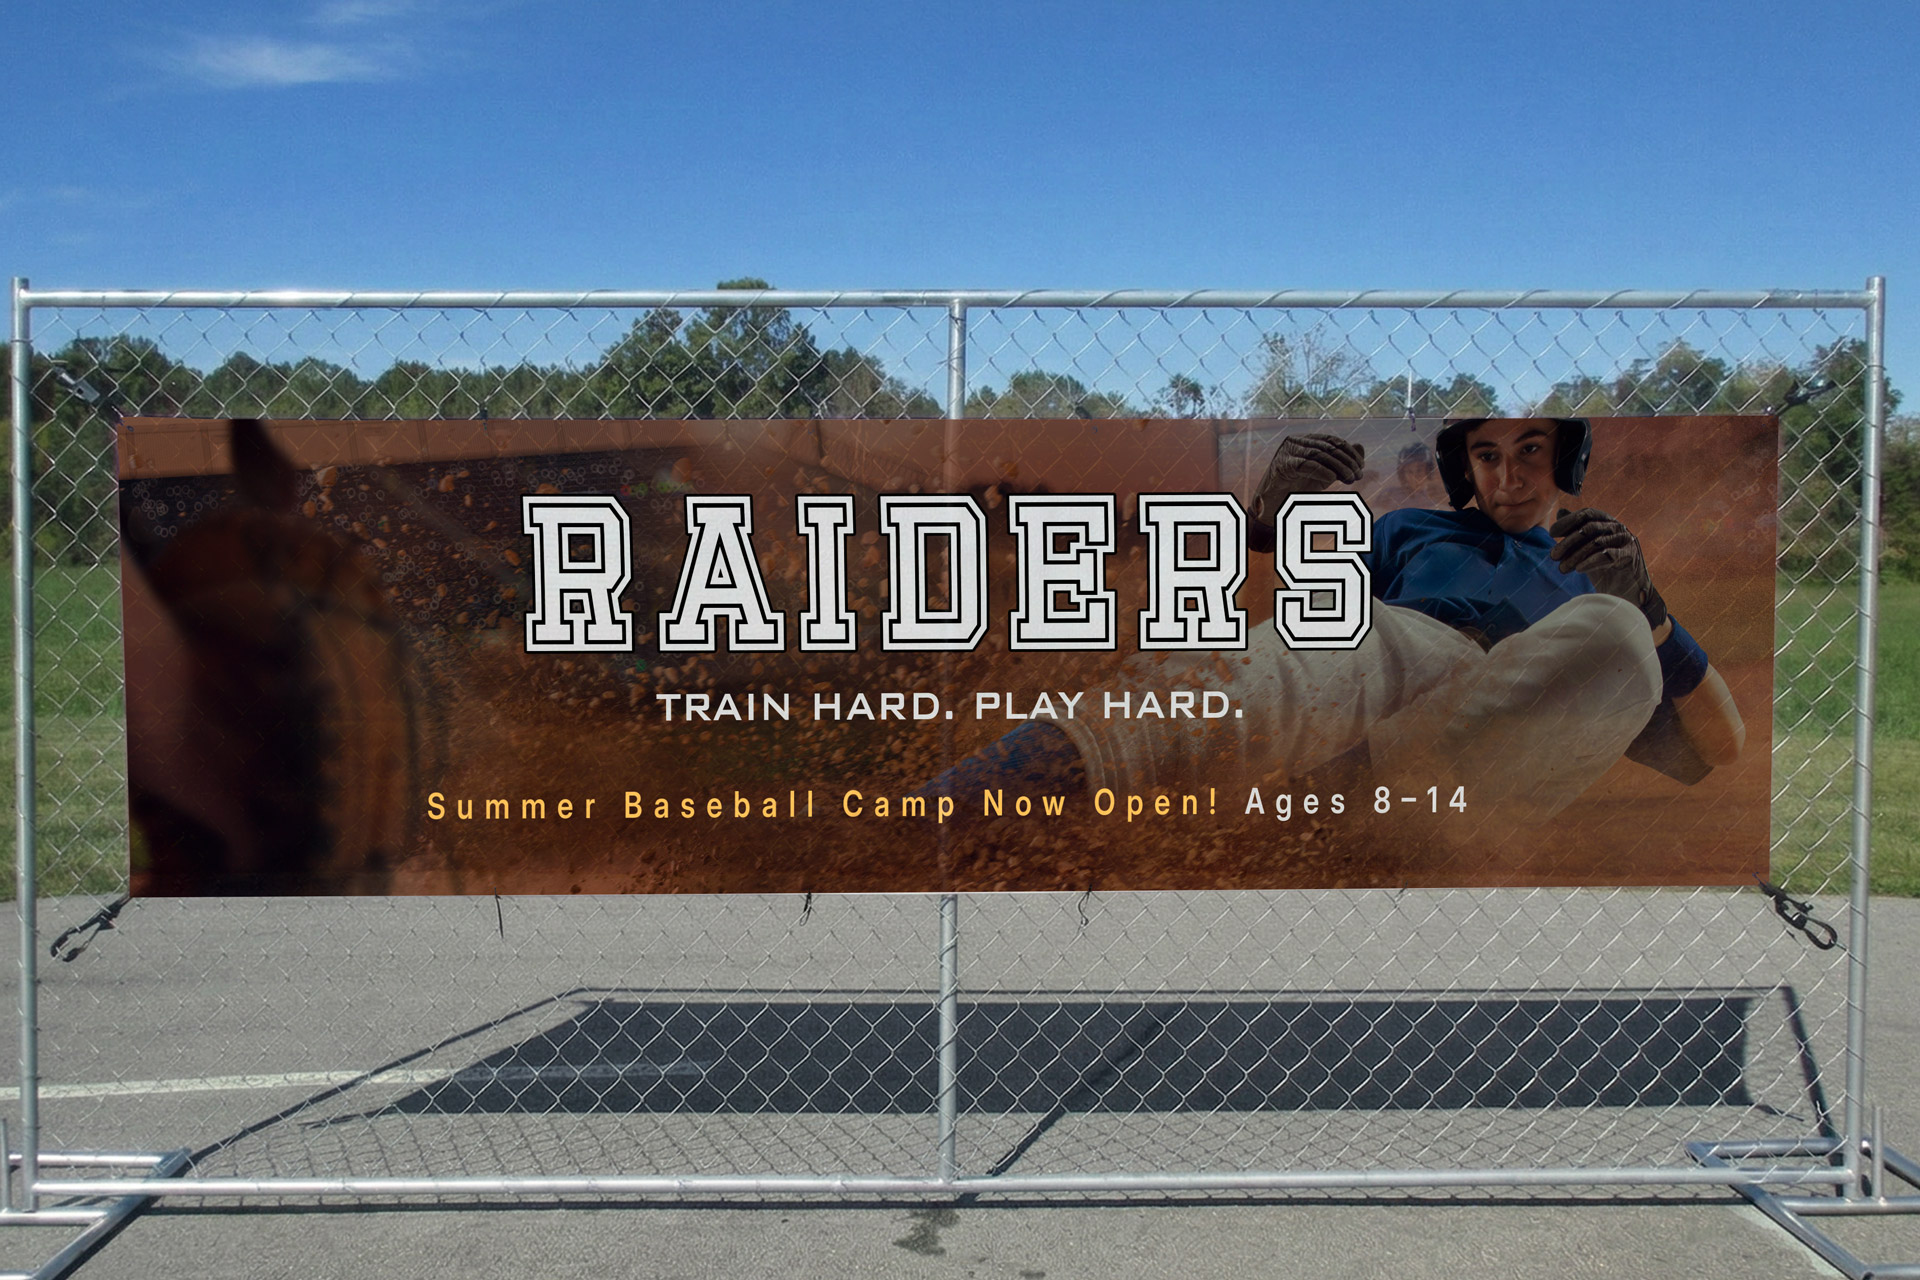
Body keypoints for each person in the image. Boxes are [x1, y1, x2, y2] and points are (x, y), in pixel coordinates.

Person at [922, 418, 1744, 826]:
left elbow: (1716, 753)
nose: (1508, 474)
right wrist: (1266, 521)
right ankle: (943, 813)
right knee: (1300, 658)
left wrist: (1650, 610)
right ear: (1465, 468)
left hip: (1477, 747)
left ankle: (1344, 802)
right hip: (1393, 654)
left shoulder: (1601, 564)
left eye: (1531, 451)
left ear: (1565, 460)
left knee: (1613, 634)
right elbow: (1285, 623)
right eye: (1488, 455)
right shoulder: (1411, 531)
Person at [1366, 440, 1444, 512]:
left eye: (1419, 470)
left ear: (1428, 471)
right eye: (1410, 472)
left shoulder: (1438, 498)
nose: (1414, 477)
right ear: (1402, 474)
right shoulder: (1389, 496)